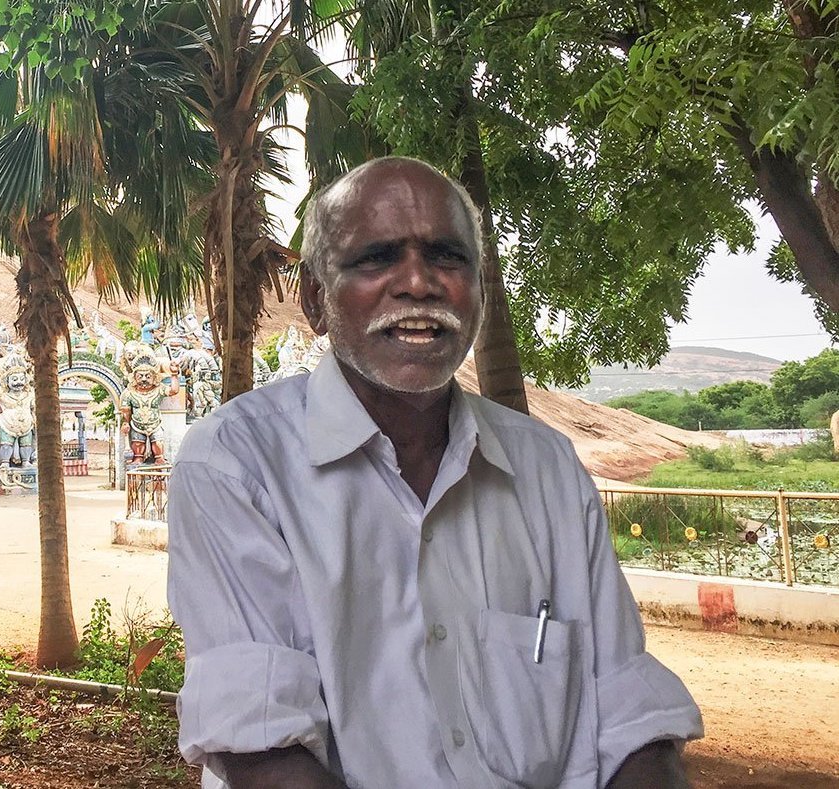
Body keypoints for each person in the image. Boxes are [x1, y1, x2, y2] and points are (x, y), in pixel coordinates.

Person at [166, 157, 701, 789]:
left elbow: (627, 714)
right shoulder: (236, 465)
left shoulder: (547, 470)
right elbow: (259, 746)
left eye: (448, 257)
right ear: (315, 297)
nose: (419, 283)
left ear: (478, 289)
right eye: (377, 257)